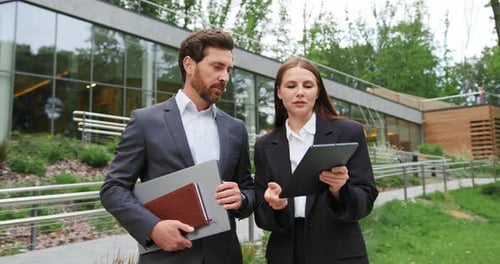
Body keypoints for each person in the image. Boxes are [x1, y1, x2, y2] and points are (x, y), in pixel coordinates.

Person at [100, 28, 254, 264]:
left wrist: (242, 198)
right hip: (167, 258)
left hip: (224, 256)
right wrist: (153, 228)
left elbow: (249, 189)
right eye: (217, 67)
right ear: (189, 64)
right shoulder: (145, 121)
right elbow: (113, 188)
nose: (225, 77)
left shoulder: (236, 128)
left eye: (228, 69)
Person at [253, 57, 378, 264]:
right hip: (285, 253)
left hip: (337, 252)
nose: (300, 92)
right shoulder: (264, 145)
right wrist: (275, 205)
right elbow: (260, 214)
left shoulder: (349, 133)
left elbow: (366, 199)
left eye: (308, 85)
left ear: (318, 91)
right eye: (291, 86)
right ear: (279, 92)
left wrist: (340, 190)